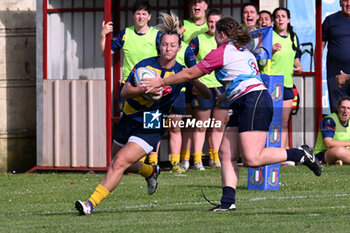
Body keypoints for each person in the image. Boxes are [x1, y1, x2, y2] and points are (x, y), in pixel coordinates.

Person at [142, 17, 322, 211]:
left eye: (217, 35)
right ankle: (227, 203)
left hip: (254, 101)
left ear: (221, 34)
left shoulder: (223, 51)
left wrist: (161, 82)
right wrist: (224, 99)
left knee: (252, 158)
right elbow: (240, 79)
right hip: (245, 101)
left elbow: (190, 74)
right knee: (226, 153)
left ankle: (300, 154)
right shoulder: (242, 50)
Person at [75, 13, 210, 215]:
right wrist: (143, 90)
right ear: (160, 45)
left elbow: (207, 94)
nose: (168, 49)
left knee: (120, 162)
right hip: (130, 117)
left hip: (152, 122)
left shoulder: (182, 72)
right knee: (118, 161)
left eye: (173, 45)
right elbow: (124, 92)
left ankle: (90, 204)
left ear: (179, 48)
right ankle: (150, 171)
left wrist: (194, 80)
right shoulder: (145, 65)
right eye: (165, 45)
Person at [101, 0, 162, 164]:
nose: (140, 17)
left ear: (149, 16)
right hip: (129, 86)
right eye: (138, 13)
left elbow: (165, 57)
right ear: (133, 16)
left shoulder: (157, 35)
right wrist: (103, 34)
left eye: (144, 13)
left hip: (151, 85)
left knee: (152, 122)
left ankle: (153, 160)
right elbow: (106, 53)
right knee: (130, 121)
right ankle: (133, 160)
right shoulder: (126, 33)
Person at [188, 8, 228, 170]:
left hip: (221, 87)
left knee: (218, 125)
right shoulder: (198, 39)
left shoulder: (227, 41)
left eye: (216, 22)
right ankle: (197, 160)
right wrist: (195, 80)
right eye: (210, 21)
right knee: (201, 125)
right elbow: (187, 57)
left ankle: (214, 158)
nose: (213, 25)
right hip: (204, 87)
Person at [261, 7, 303, 149]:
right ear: (274, 20)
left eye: (283, 16)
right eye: (277, 16)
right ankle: (266, 151)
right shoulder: (269, 36)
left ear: (288, 19)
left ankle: (283, 154)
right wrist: (270, 50)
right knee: (270, 120)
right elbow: (260, 58)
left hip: (287, 84)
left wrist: (298, 66)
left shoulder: (293, 37)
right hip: (271, 84)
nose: (280, 19)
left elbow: (295, 59)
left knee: (284, 123)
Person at [322, 0, 350, 113]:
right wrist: (318, 72)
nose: (348, 4)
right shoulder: (330, 20)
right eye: (345, 0)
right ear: (339, 2)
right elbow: (320, 47)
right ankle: (338, 131)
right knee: (338, 112)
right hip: (335, 76)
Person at [314, 96, 350, 164]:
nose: (345, 111)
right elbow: (328, 143)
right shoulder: (330, 120)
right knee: (339, 150)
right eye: (343, 107)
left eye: (348, 108)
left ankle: (341, 161)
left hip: (344, 152)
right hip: (323, 154)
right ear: (338, 109)